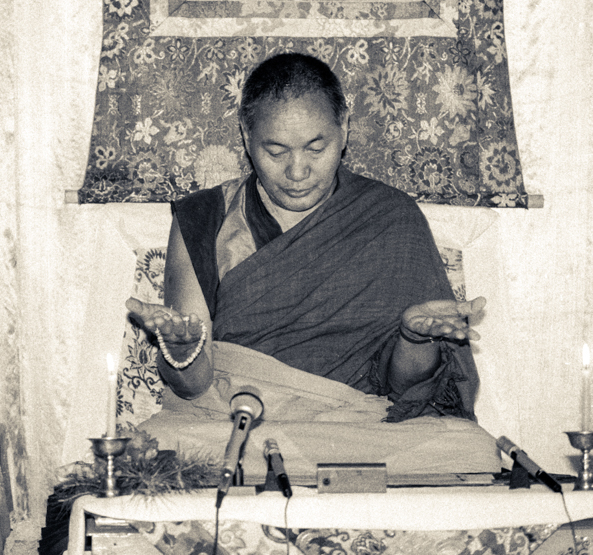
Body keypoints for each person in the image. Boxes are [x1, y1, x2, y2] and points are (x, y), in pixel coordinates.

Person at [127, 52, 486, 422]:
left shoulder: (391, 218)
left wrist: (415, 339)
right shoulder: (205, 218)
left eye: (316, 148)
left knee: (469, 452)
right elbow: (192, 386)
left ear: (344, 127)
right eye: (276, 151)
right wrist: (182, 352)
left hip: (356, 428)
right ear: (246, 136)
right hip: (235, 420)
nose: (297, 171)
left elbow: (405, 390)